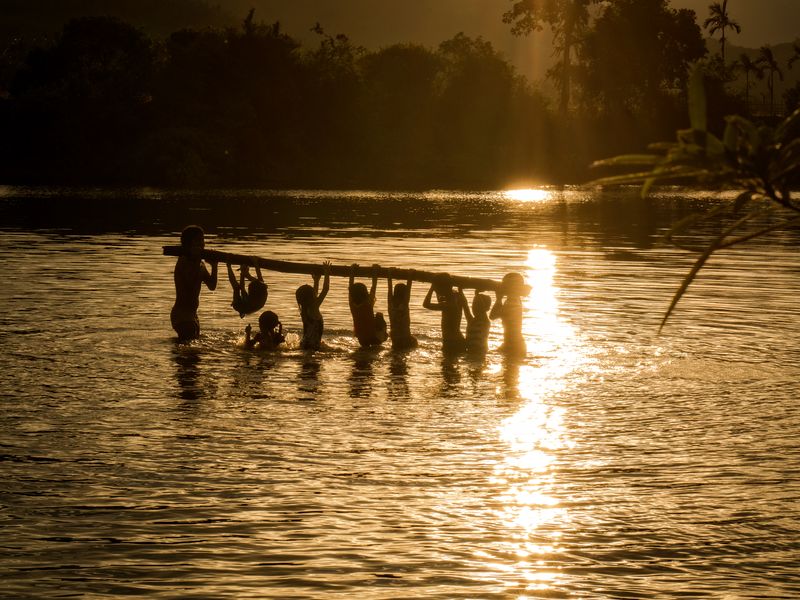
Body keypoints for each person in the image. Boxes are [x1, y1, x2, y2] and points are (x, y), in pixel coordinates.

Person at [171, 225, 218, 341]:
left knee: (194, 352)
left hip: (193, 315)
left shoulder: (201, 264)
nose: (202, 244)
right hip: (181, 316)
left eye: (202, 240)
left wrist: (214, 266)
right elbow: (190, 283)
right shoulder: (183, 261)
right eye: (198, 241)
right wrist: (197, 260)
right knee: (189, 353)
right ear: (188, 244)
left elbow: (212, 286)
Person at [423, 273, 466, 354]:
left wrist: (431, 288)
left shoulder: (448, 304)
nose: (436, 290)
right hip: (457, 341)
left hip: (452, 343)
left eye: (436, 288)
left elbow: (426, 304)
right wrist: (435, 286)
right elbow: (440, 299)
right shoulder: (455, 296)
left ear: (443, 288)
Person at [490, 272, 530, 357]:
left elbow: (492, 316)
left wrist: (498, 299)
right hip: (513, 343)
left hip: (514, 345)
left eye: (504, 285)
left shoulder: (511, 303)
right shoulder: (516, 299)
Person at [349, 263, 388, 348]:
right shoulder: (368, 303)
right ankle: (384, 336)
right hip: (374, 337)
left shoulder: (352, 305)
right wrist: (375, 271)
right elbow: (373, 286)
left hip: (361, 338)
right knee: (379, 316)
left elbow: (350, 288)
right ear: (365, 293)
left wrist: (352, 271)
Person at [296, 261, 331, 351]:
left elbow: (314, 295)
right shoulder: (313, 308)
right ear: (311, 297)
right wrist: (327, 272)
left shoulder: (304, 309)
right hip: (313, 346)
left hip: (305, 344)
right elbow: (325, 289)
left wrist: (316, 281)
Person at [387, 268, 417, 350]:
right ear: (404, 294)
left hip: (395, 337)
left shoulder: (390, 304)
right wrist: (410, 275)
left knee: (395, 351)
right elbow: (409, 290)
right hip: (405, 335)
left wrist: (389, 275)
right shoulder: (404, 304)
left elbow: (389, 289)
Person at [460, 288, 492, 355]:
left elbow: (483, 308)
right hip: (470, 352)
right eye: (473, 306)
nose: (474, 308)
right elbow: (465, 305)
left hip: (480, 353)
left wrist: (476, 294)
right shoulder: (471, 321)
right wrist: (460, 291)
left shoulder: (485, 322)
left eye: (477, 306)